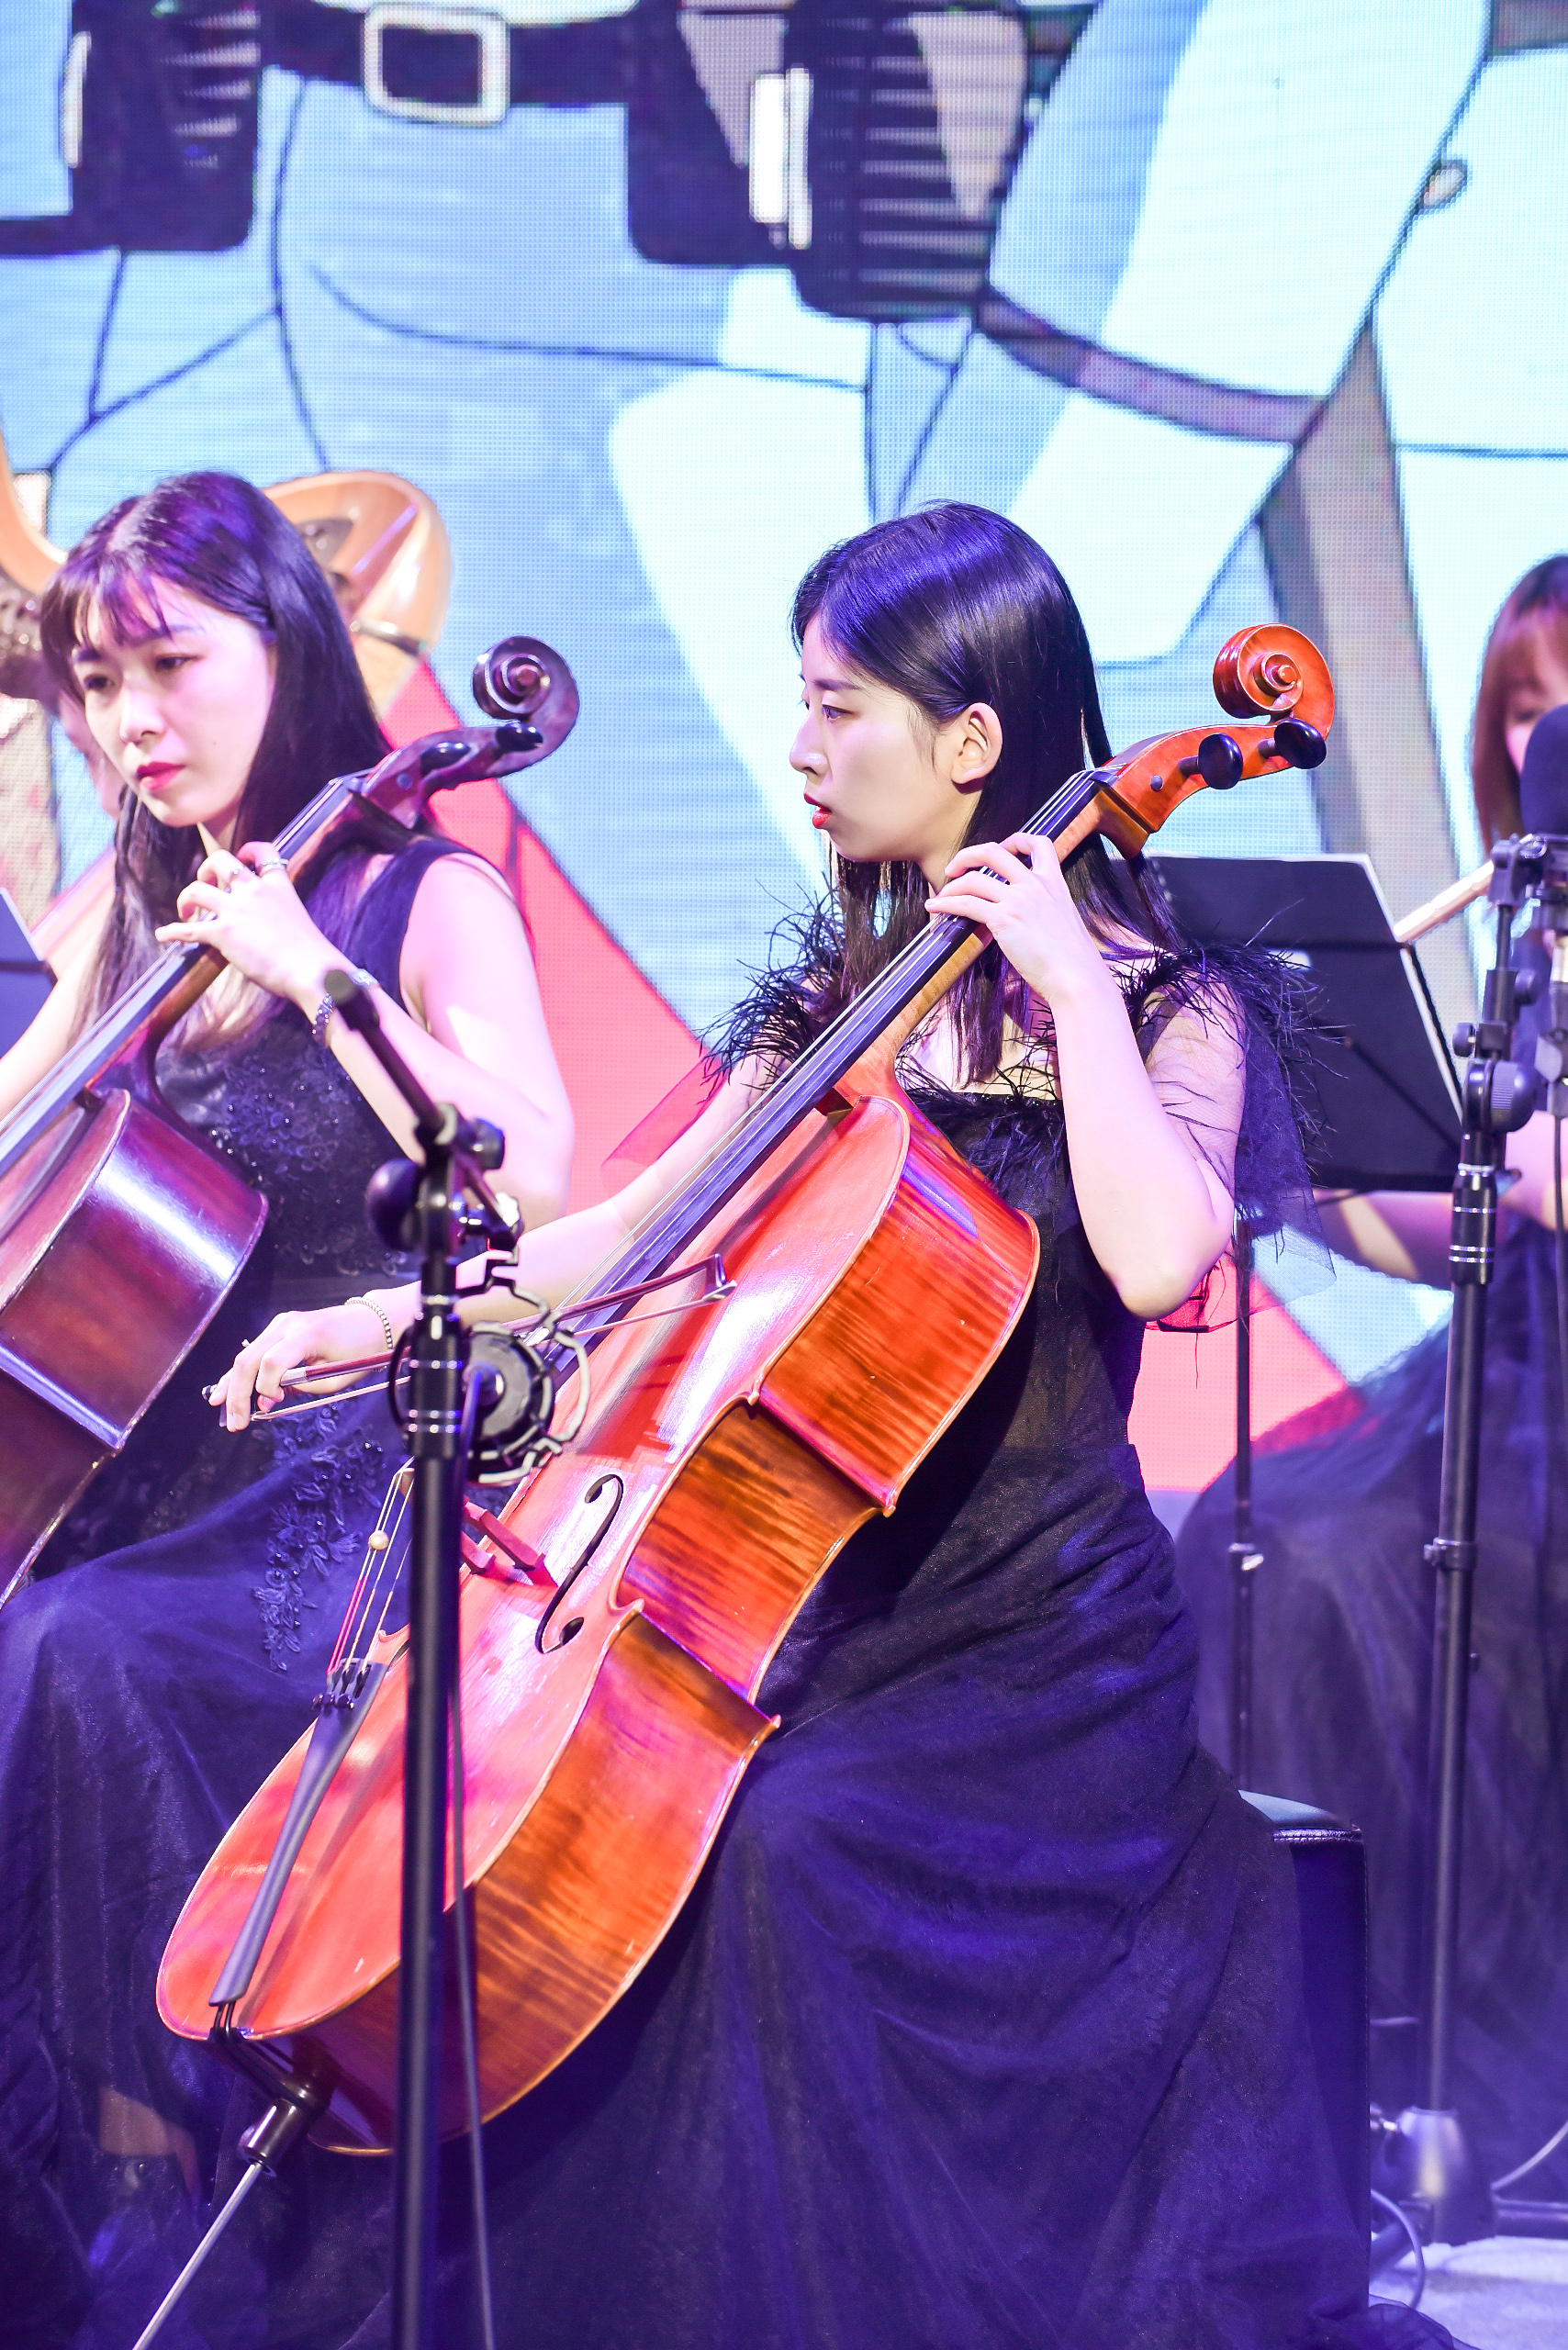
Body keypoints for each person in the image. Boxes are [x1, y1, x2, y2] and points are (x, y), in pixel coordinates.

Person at [207, 505, 1458, 2350]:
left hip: (1043, 1654)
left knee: (781, 1847)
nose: (796, 748)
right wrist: (381, 1315)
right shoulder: (839, 1008)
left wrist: (1067, 986)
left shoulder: (1171, 1008)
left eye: (833, 706)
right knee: (644, 1846)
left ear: (970, 742)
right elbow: (629, 1239)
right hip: (829, 1610)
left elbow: (1158, 1252)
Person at [0, 472, 573, 2344]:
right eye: (100, 684)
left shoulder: (424, 890)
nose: (132, 721)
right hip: (144, 1481)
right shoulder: (141, 907)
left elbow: (534, 1173)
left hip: (344, 1494)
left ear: (288, 648)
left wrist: (318, 979)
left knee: (72, 1654)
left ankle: (201, 2223)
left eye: (173, 666)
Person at [1176, 554, 1568, 2202]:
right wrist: (1308, 1167)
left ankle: (1455, 2074)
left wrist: (1499, 1159)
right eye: (1526, 712)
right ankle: (1298, 2072)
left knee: (1357, 1570)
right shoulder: (1537, 933)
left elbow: (1542, 1185)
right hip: (1510, 1361)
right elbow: (1479, 1225)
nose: (1548, 744)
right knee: (1244, 1534)